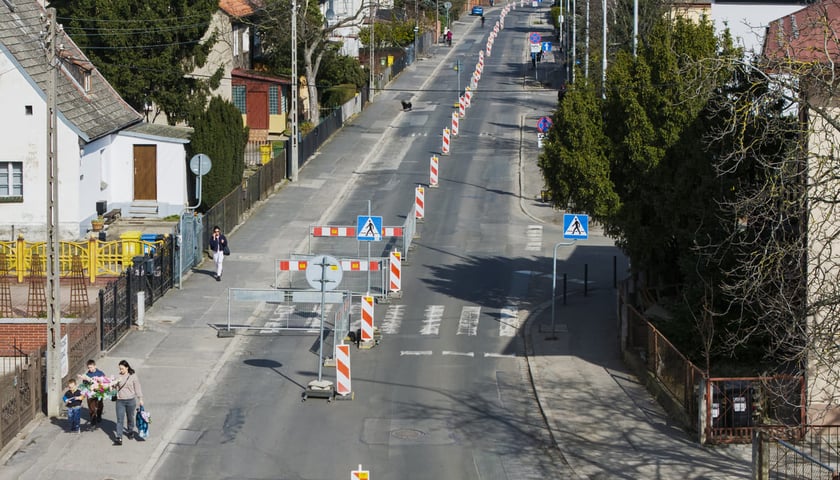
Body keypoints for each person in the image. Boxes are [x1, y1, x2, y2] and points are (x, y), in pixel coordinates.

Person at [112, 360, 144, 445]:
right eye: (120, 369)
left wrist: (140, 399)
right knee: (120, 419)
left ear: (127, 367)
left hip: (130, 400)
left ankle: (130, 431)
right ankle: (119, 438)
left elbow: (137, 387)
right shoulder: (117, 376)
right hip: (120, 401)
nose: (121, 370)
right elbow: (114, 388)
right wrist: (113, 386)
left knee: (130, 418)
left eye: (122, 369)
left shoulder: (133, 376)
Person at [79, 359, 106, 430]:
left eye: (91, 367)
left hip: (99, 393)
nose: (90, 369)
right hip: (90, 394)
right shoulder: (87, 375)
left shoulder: (100, 373)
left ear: (95, 366)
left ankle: (99, 415)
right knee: (91, 408)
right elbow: (84, 385)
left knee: (99, 405)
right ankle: (93, 422)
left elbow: (105, 382)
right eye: (88, 368)